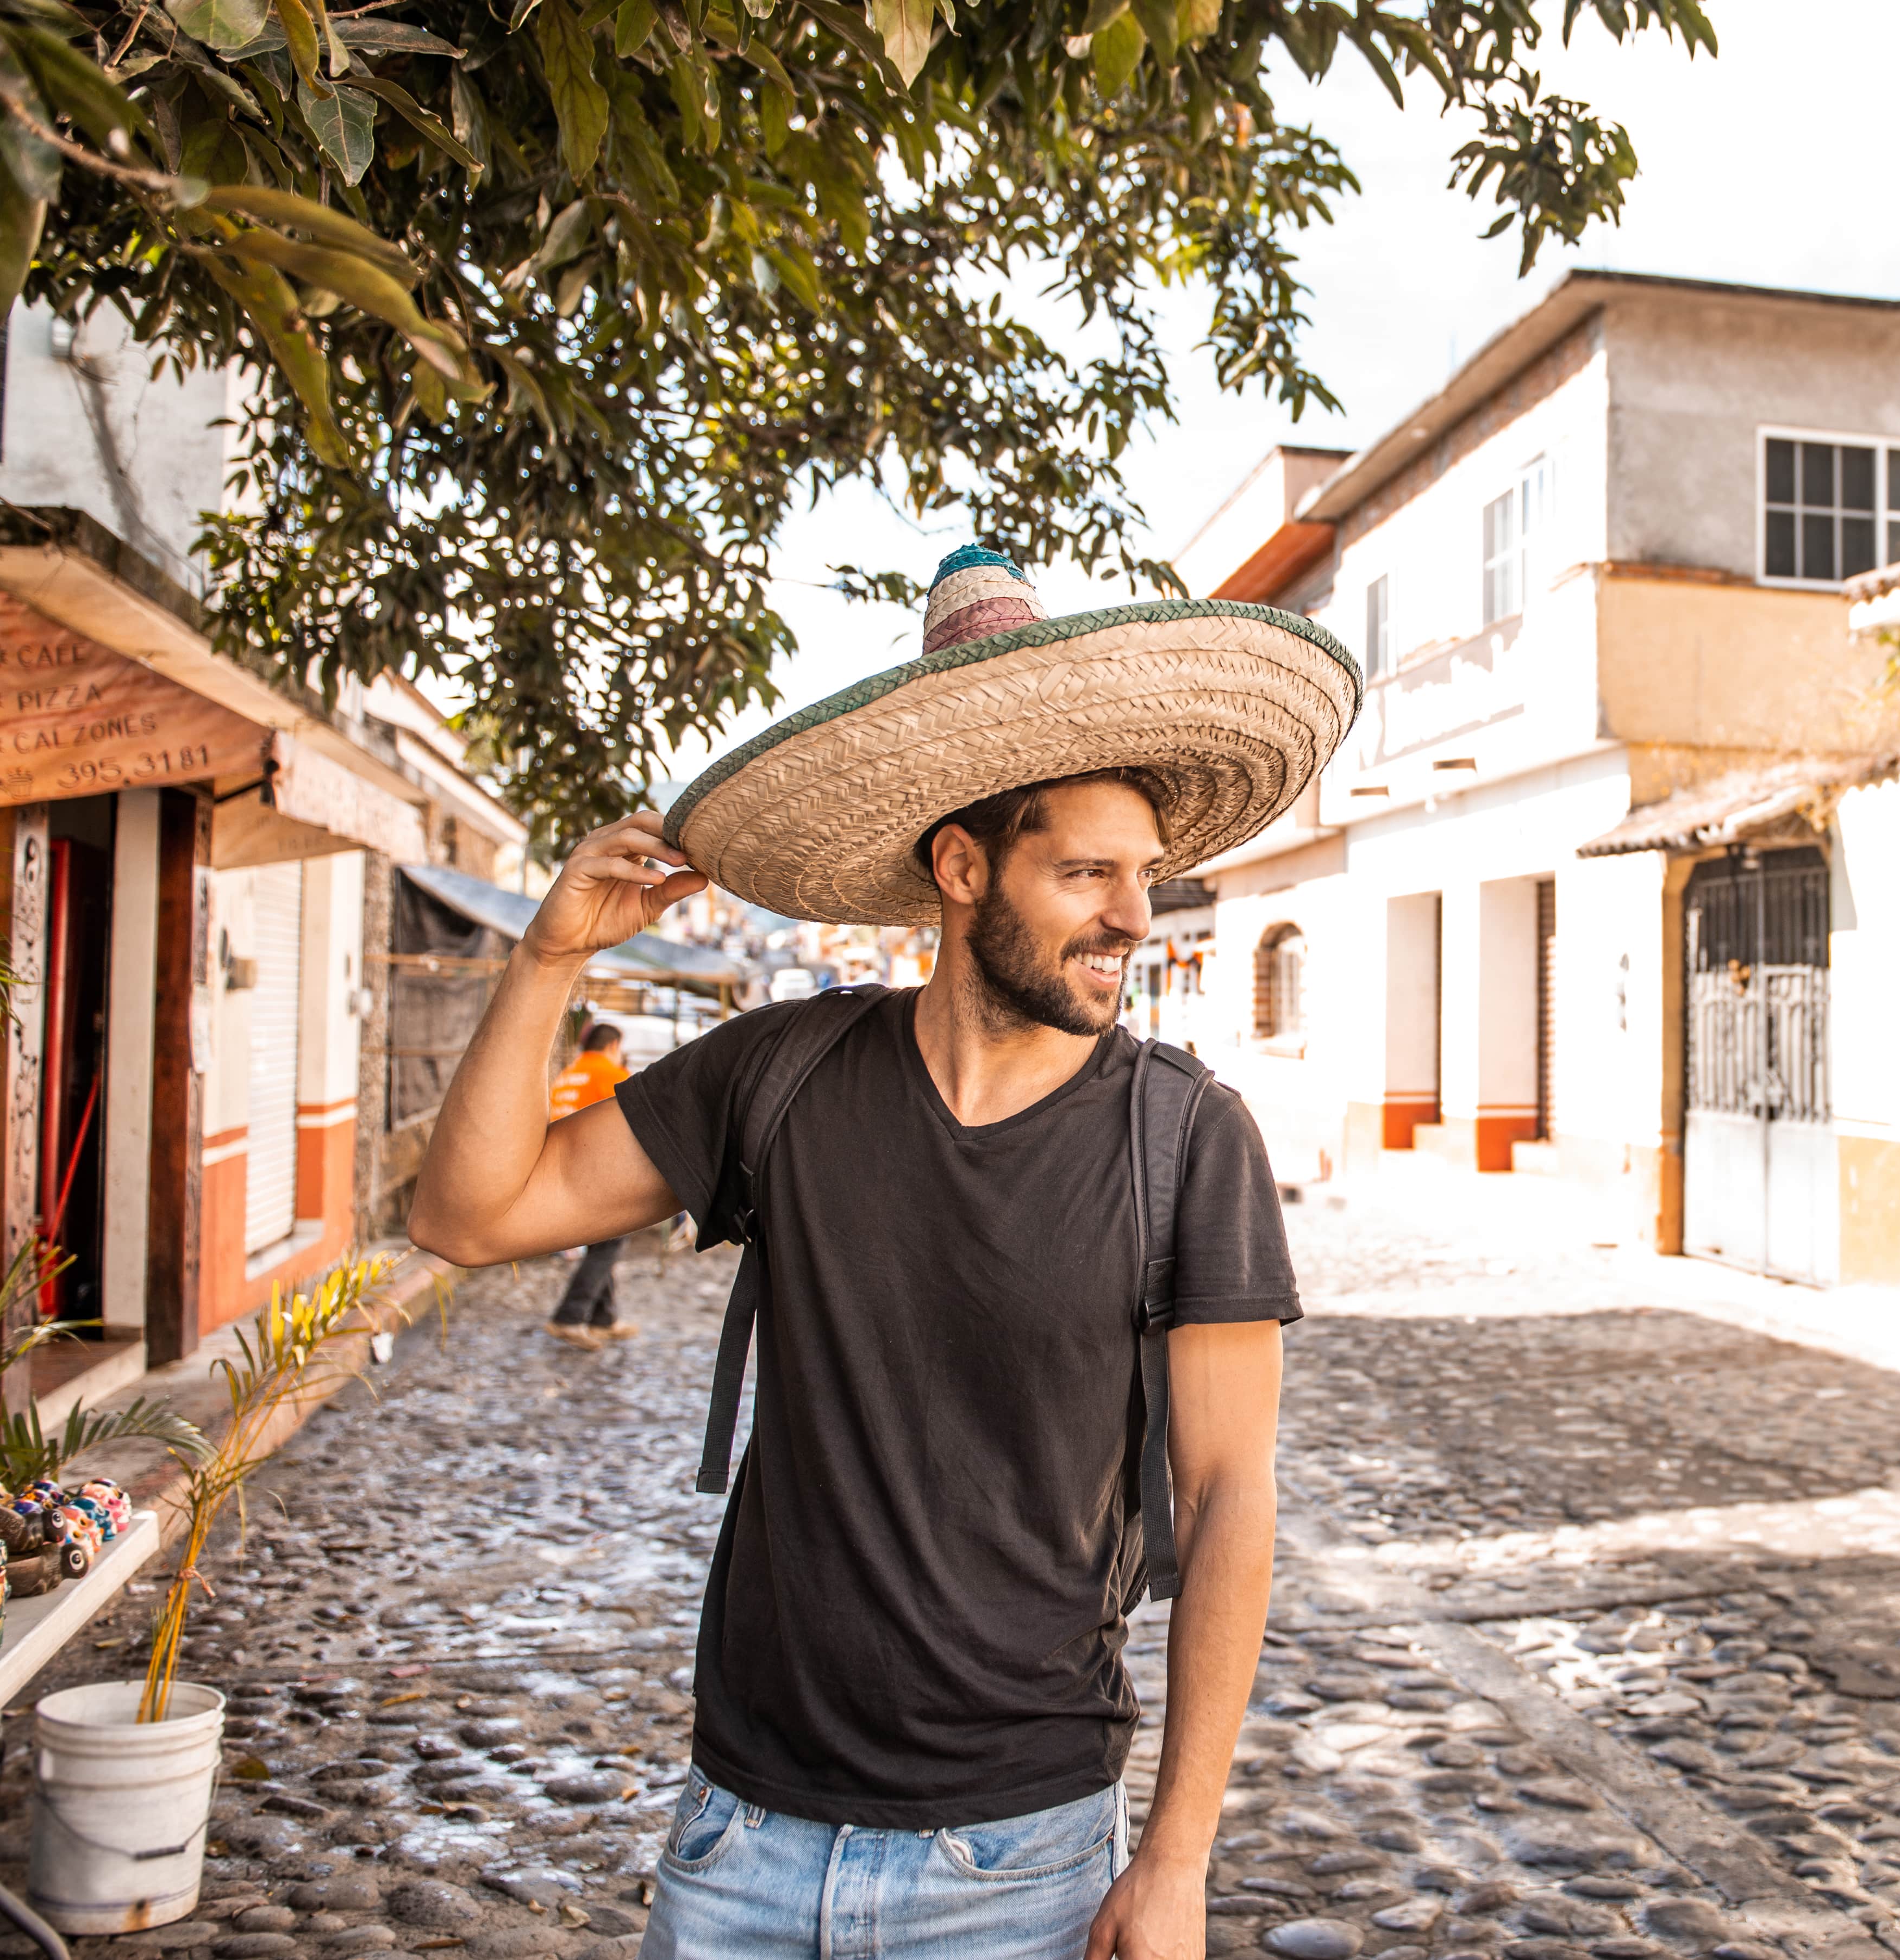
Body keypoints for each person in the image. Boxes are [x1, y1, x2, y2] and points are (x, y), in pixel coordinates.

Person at [407, 546, 1359, 1960]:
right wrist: (548, 957)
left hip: (1019, 1859)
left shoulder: (1186, 1139)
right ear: (962, 865)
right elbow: (468, 1214)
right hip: (739, 1834)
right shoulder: (779, 1075)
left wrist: (1176, 1855)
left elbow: (1228, 1496)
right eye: (1086, 871)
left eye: (1143, 874)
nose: (1132, 917)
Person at [543, 1022, 637, 1349]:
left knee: (602, 1243)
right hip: (600, 1171)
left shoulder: (569, 1074)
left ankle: (604, 1319)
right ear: (613, 1045)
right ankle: (569, 1317)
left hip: (564, 1168)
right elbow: (635, 1121)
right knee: (610, 1243)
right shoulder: (609, 1073)